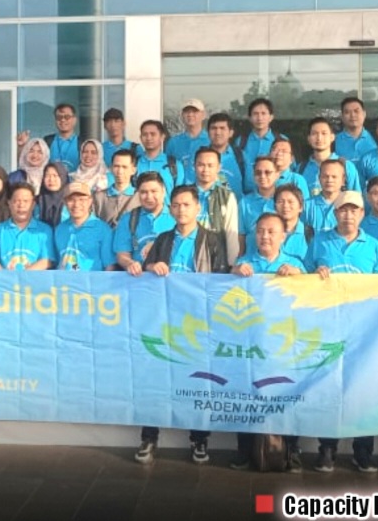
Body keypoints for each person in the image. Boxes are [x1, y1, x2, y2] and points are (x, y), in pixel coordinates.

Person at [135, 185, 230, 465]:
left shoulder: (212, 240)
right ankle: (149, 437)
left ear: (198, 208)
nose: (181, 210)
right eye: (175, 205)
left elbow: (220, 279)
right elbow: (147, 269)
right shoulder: (164, 238)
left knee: (198, 381)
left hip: (198, 323)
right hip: (164, 320)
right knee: (156, 379)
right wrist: (152, 267)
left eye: (186, 204)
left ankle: (199, 440)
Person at [307, 191, 378, 473]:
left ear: (362, 214)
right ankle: (327, 449)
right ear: (335, 213)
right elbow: (302, 276)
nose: (348, 215)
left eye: (354, 210)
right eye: (343, 210)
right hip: (328, 326)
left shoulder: (374, 246)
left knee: (363, 389)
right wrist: (314, 273)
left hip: (364, 330)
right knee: (328, 387)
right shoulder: (320, 240)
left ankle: (362, 452)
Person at [229, 213, 303, 471]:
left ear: (283, 236)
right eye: (260, 231)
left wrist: (299, 276)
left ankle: (291, 452)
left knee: (287, 397)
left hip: (284, 344)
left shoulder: (294, 264)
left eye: (271, 231)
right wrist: (233, 272)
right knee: (246, 396)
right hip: (250, 343)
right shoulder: (244, 263)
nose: (265, 236)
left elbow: (311, 298)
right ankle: (244, 452)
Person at [114, 173, 175, 276]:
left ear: (163, 191)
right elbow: (122, 254)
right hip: (139, 279)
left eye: (154, 191)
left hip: (171, 278)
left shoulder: (176, 217)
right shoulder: (128, 219)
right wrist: (130, 264)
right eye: (143, 192)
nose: (149, 197)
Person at [0, 183, 56, 270]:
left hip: (34, 278)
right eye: (16, 201)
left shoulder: (44, 231)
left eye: (26, 201)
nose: (21, 205)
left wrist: (24, 275)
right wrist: (5, 276)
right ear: (9, 203)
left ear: (33, 204)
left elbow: (47, 261)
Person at [193, 147, 240, 264]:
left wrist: (231, 264)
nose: (205, 170)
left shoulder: (227, 196)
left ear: (219, 168)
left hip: (216, 256)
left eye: (210, 165)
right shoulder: (185, 194)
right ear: (194, 166)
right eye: (201, 165)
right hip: (190, 253)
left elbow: (231, 232)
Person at [54, 183, 115, 271]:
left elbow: (109, 265)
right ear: (65, 202)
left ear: (90, 201)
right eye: (71, 200)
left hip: (92, 279)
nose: (76, 204)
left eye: (82, 199)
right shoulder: (60, 229)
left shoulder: (102, 229)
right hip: (63, 279)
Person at [298, 117, 362, 194]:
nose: (319, 138)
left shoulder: (346, 166)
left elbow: (356, 197)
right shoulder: (301, 168)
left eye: (324, 133)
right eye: (314, 134)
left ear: (332, 137)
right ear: (308, 139)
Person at [235, 98, 284, 194]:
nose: (259, 118)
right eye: (255, 114)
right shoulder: (241, 142)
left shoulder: (281, 141)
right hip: (247, 195)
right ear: (249, 118)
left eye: (263, 113)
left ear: (271, 117)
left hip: (275, 195)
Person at [18, 103, 81, 171]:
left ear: (74, 120)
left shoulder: (82, 143)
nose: (63, 120)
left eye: (67, 117)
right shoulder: (47, 141)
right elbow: (28, 163)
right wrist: (21, 146)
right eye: (59, 117)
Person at [238, 157, 280, 256]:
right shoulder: (245, 203)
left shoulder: (283, 201)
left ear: (277, 174)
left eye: (267, 172)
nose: (262, 176)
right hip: (251, 260)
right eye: (258, 173)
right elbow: (241, 236)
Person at [199, 113, 245, 192]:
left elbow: (250, 188)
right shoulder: (199, 157)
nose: (218, 132)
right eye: (214, 128)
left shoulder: (241, 156)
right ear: (208, 132)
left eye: (222, 128)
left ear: (231, 133)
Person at [93, 149, 138, 227]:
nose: (120, 171)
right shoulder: (98, 197)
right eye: (116, 166)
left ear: (133, 170)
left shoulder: (139, 197)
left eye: (124, 167)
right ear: (111, 168)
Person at [136, 120, 182, 192]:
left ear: (162, 137)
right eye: (145, 134)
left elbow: (180, 194)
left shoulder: (174, 165)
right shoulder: (134, 164)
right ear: (140, 138)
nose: (148, 138)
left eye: (153, 134)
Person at [303, 159, 348, 233]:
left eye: (334, 177)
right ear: (319, 178)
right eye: (325, 176)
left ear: (343, 180)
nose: (329, 180)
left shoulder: (349, 206)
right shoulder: (307, 206)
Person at [273, 184, 313, 266]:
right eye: (281, 202)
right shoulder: (266, 233)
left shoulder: (310, 234)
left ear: (301, 207)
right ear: (275, 207)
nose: (285, 206)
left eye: (290, 202)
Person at [166, 98, 209, 166]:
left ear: (203, 115)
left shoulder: (211, 141)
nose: (190, 114)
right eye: (187, 112)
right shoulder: (173, 142)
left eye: (194, 111)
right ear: (182, 115)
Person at [334, 97, 375, 162]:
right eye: (347, 112)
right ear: (342, 117)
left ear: (364, 114)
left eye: (356, 111)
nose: (353, 115)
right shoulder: (333, 141)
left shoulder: (376, 138)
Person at [35, 162, 70, 228]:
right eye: (47, 175)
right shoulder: (35, 202)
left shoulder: (70, 202)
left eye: (55, 175)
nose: (51, 179)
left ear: (63, 177)